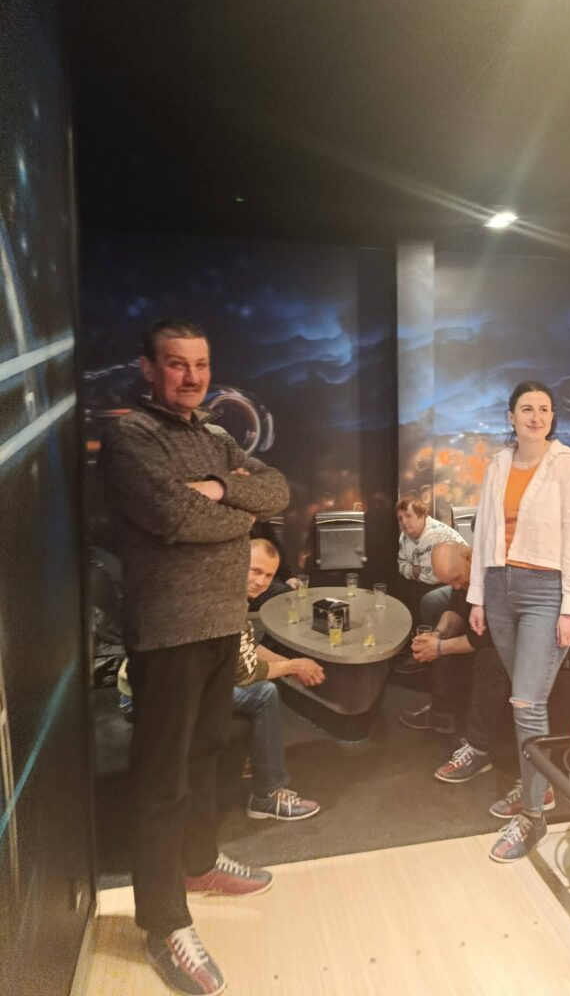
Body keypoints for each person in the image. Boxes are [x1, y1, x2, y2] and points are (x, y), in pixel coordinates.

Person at [99, 319, 289, 996]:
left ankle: (200, 862)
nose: (192, 376)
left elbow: (276, 492)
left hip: (220, 623)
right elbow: (174, 517)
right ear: (150, 369)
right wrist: (229, 504)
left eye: (201, 364)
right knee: (161, 781)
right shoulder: (132, 437)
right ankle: (163, 923)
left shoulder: (214, 436)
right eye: (177, 364)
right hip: (168, 631)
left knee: (209, 750)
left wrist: (217, 489)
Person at [468, 381, 570, 863]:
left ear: (552, 417)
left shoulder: (569, 467)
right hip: (499, 588)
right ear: (511, 417)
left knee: (526, 703)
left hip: (546, 591)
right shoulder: (498, 464)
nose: (536, 416)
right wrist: (478, 598)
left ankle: (533, 816)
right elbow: (484, 534)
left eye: (544, 409)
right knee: (523, 698)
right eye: (527, 408)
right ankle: (537, 787)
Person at [399, 542, 536, 794]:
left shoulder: (498, 578)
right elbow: (456, 610)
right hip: (491, 634)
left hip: (521, 639)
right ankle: (442, 713)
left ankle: (478, 749)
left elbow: (486, 638)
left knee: (488, 659)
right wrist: (437, 635)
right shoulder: (465, 577)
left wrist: (440, 648)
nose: (455, 586)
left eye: (456, 579)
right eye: (448, 582)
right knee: (443, 636)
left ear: (469, 557)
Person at [234, 538, 324, 821]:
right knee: (264, 693)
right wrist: (292, 665)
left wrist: (290, 665)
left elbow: (248, 650)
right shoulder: (227, 604)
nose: (261, 581)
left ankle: (251, 760)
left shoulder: (233, 598)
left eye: (268, 575)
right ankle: (266, 795)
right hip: (191, 690)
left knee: (267, 684)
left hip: (201, 678)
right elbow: (246, 672)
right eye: (255, 571)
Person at [395, 498, 467, 673]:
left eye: (408, 516)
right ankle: (412, 644)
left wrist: (413, 570)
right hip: (433, 579)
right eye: (400, 518)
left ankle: (422, 652)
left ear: (422, 516)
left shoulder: (434, 535)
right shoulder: (405, 536)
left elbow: (432, 576)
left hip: (452, 580)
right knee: (398, 588)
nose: (404, 522)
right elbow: (401, 565)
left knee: (423, 596)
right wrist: (414, 570)